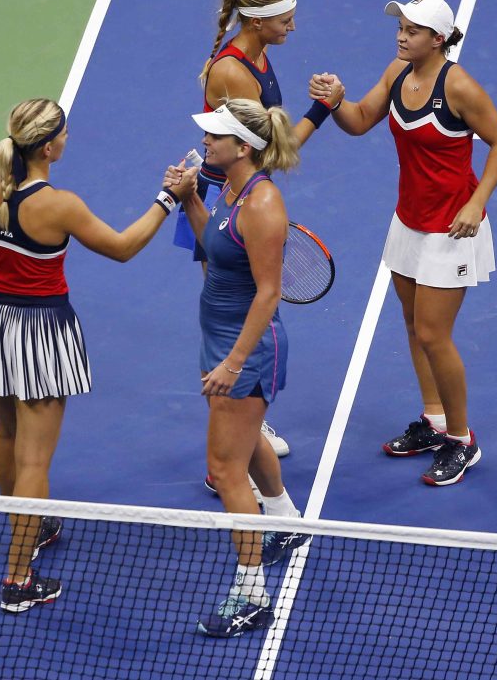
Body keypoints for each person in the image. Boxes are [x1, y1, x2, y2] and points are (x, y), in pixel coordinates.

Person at [0, 98, 196, 612]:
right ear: (47, 146)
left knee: (5, 435)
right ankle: (18, 580)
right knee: (34, 460)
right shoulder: (60, 205)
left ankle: (27, 527)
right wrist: (168, 198)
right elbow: (124, 247)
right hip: (39, 335)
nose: (67, 137)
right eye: (63, 132)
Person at [310, 0, 497, 486]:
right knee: (410, 322)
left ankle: (462, 440)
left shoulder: (459, 86)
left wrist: (475, 201)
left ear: (438, 39)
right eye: (400, 28)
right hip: (408, 222)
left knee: (433, 334)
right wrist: (336, 101)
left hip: (452, 227)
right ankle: (435, 420)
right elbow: (358, 122)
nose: (402, 36)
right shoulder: (398, 72)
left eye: (413, 31)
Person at [175, 0, 342, 470]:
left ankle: (242, 417)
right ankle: (236, 434)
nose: (293, 27)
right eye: (285, 20)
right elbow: (266, 155)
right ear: (256, 20)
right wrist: (322, 110)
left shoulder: (259, 55)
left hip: (236, 194)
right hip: (218, 202)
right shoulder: (234, 73)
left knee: (241, 305)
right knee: (234, 308)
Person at [172, 99, 312, 638]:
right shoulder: (229, 191)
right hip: (220, 339)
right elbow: (214, 246)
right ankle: (283, 518)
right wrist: (188, 202)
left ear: (244, 147)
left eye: (215, 137)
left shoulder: (263, 204)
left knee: (226, 470)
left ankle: (252, 596)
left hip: (245, 349)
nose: (206, 142)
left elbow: (269, 293)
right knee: (243, 441)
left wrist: (234, 363)